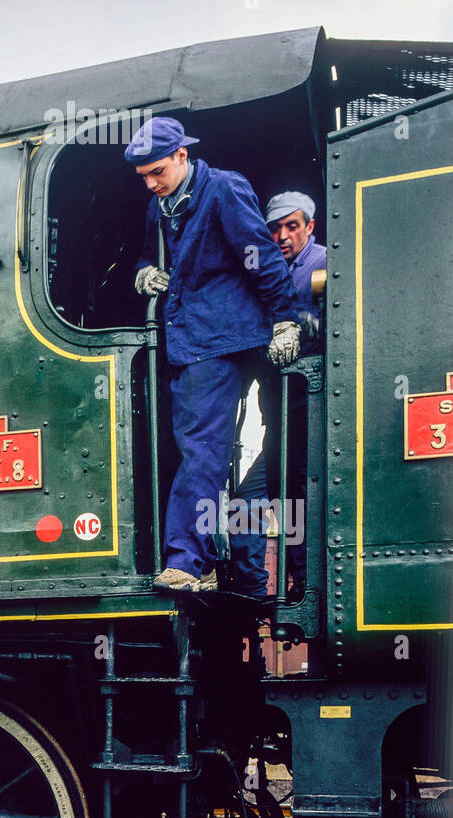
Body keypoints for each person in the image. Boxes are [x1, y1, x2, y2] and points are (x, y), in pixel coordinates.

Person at [126, 117, 300, 593]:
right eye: (143, 176)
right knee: (199, 450)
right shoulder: (158, 206)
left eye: (157, 171)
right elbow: (147, 255)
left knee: (201, 450)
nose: (151, 183)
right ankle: (200, 563)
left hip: (222, 337)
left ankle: (186, 561)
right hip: (191, 339)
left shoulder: (223, 189)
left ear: (183, 155)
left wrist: (285, 317)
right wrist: (145, 273)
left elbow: (259, 254)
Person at [229, 191, 327, 599]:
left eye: (292, 226)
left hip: (312, 412)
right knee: (250, 501)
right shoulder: (265, 270)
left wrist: (299, 325)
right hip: (278, 417)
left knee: (299, 498)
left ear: (310, 227)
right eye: (275, 228)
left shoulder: (325, 263)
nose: (282, 235)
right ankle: (253, 586)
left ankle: (302, 583)